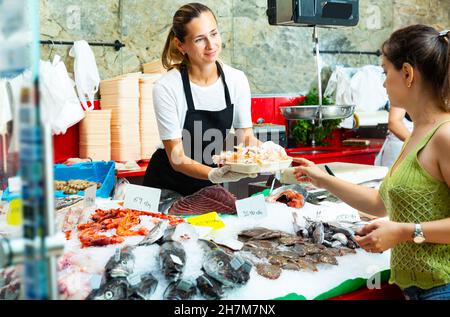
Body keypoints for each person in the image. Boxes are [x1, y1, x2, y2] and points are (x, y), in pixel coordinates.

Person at [293, 25, 450, 300]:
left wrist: (403, 232)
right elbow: (380, 203)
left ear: (408, 73)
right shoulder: (417, 133)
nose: (383, 83)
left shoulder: (444, 135)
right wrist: (321, 178)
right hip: (415, 289)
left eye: (384, 71)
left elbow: (404, 228)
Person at [143, 3, 279, 197]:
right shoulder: (167, 87)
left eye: (214, 34)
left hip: (208, 183)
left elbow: (245, 137)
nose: (211, 45)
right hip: (164, 186)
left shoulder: (236, 80)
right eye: (200, 39)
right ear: (180, 45)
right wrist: (214, 174)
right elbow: (177, 157)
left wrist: (267, 154)